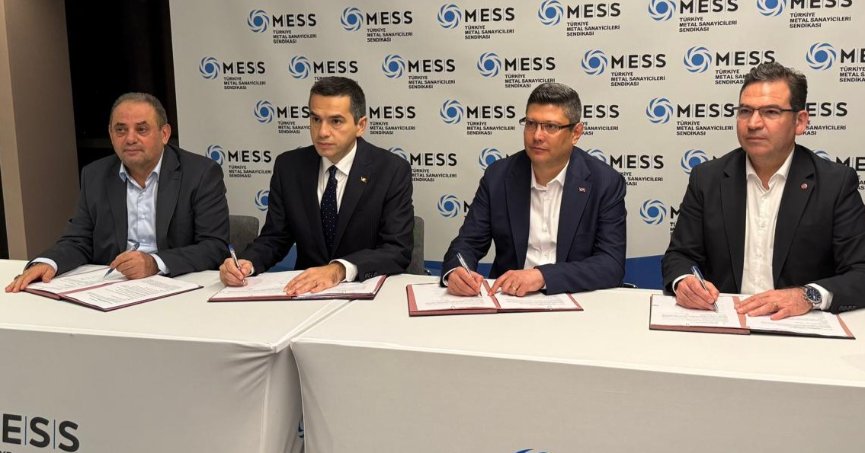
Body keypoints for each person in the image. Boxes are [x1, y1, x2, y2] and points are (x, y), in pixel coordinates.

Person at [662, 62, 865, 319]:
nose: (754, 123)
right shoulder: (707, 178)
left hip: (799, 323)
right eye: (745, 111)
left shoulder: (835, 184)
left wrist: (807, 296)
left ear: (800, 121)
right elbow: (680, 256)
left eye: (770, 112)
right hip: (725, 321)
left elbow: (860, 272)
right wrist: (684, 281)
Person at [6, 92, 230, 292]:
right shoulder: (94, 175)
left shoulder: (200, 173)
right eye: (121, 130)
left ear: (164, 134)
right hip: (113, 287)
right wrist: (48, 263)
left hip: (178, 285)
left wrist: (155, 263)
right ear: (111, 135)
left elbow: (214, 246)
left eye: (141, 129)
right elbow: (78, 240)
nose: (130, 139)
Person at [219, 77, 413, 294]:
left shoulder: (391, 170)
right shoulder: (289, 167)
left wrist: (339, 269)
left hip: (366, 294)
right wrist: (247, 263)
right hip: (305, 294)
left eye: (336, 121)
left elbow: (397, 250)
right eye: (316, 119)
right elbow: (275, 238)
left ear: (360, 126)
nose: (322, 132)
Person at [441, 82, 627, 297]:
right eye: (531, 124)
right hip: (509, 298)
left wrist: (542, 276)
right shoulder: (498, 176)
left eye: (551, 127)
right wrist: (456, 271)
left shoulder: (604, 182)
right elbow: (468, 242)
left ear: (576, 133)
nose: (537, 136)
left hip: (574, 297)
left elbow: (610, 264)